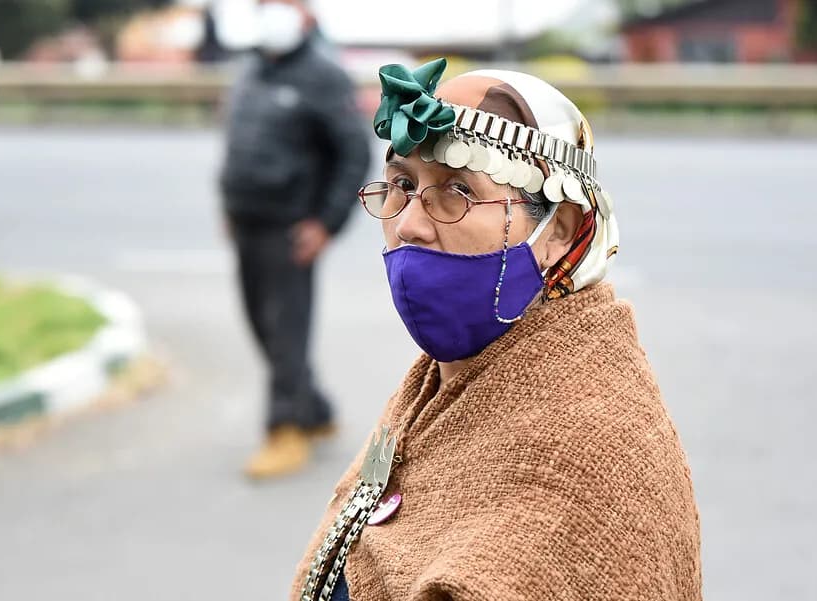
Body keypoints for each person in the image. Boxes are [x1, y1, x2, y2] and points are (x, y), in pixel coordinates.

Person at [293, 58, 701, 600]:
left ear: (558, 230)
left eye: (457, 192)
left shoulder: (588, 451)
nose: (409, 224)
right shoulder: (436, 388)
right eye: (401, 185)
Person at [219, 0, 370, 479]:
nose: (273, 13)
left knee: (285, 330)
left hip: (291, 227)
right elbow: (239, 143)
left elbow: (354, 153)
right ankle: (315, 410)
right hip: (247, 220)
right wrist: (229, 206)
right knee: (261, 325)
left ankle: (285, 429)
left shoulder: (324, 76)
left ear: (306, 14)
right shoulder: (251, 69)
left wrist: (326, 222)